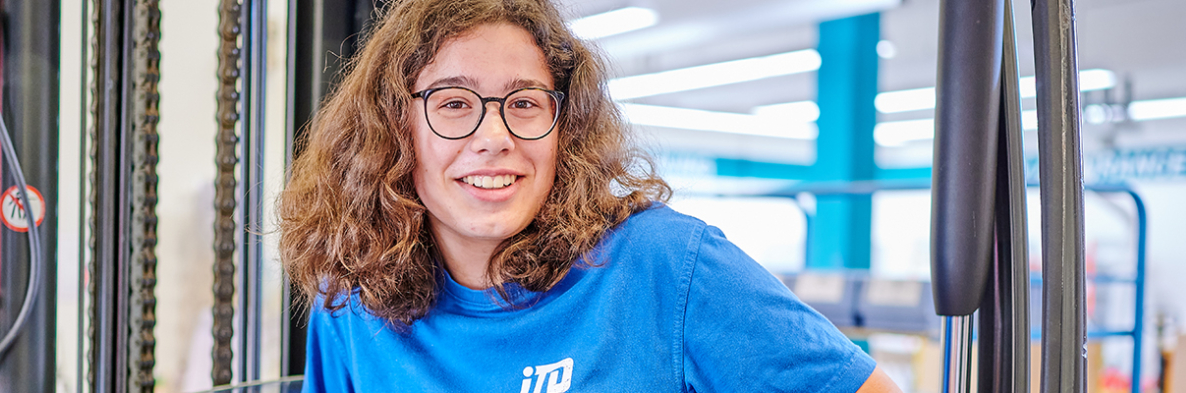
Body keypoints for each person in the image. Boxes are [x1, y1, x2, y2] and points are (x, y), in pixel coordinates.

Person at [278, 0, 902, 391]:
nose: (493, 137)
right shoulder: (354, 300)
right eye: (454, 104)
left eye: (525, 103)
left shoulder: (667, 266)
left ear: (565, 129)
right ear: (396, 129)